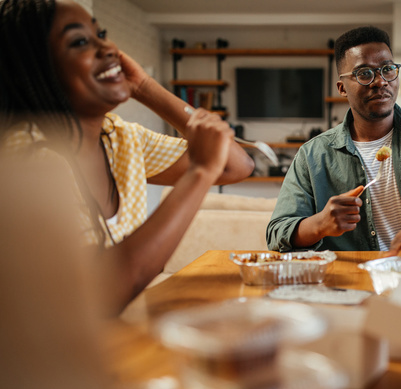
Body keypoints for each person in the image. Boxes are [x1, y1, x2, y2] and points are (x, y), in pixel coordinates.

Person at [0, 0, 255, 312]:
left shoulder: (120, 137)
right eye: (80, 41)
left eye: (101, 34)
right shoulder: (26, 157)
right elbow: (99, 291)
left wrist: (144, 86)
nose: (109, 49)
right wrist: (199, 171)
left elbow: (236, 164)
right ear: (34, 67)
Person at [266, 26, 401, 259]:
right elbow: (277, 233)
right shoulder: (312, 155)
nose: (380, 81)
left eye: (387, 69)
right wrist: (320, 224)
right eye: (364, 74)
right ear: (342, 88)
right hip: (348, 280)